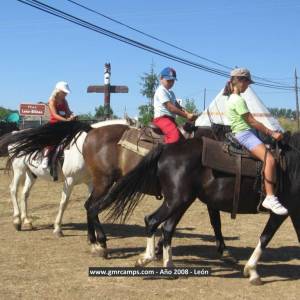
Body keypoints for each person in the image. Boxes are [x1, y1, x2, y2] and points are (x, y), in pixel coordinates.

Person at [224, 67, 288, 215]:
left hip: (247, 133)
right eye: (247, 82)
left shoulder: (231, 98)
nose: (248, 86)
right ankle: (270, 197)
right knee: (270, 159)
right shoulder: (238, 100)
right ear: (240, 81)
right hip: (245, 134)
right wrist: (272, 133)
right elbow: (252, 121)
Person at [152, 67, 197, 144]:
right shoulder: (161, 90)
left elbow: (178, 106)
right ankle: (165, 154)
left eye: (172, 81)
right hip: (162, 119)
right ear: (161, 78)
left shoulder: (171, 93)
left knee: (183, 136)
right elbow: (171, 107)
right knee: (174, 136)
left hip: (171, 120)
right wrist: (186, 116)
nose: (171, 83)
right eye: (168, 80)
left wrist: (188, 113)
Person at [41, 81, 76, 169]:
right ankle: (45, 157)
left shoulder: (64, 101)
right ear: (58, 91)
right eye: (64, 92)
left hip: (65, 123)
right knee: (51, 139)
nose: (65, 94)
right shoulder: (52, 100)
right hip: (55, 124)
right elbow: (55, 115)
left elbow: (68, 111)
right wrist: (66, 120)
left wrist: (72, 115)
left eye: (66, 93)